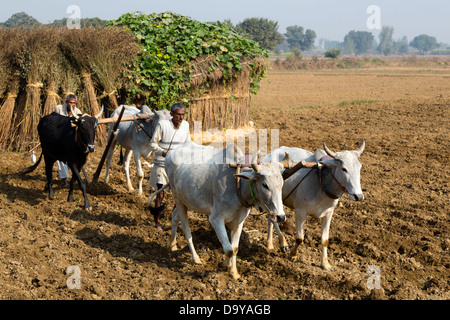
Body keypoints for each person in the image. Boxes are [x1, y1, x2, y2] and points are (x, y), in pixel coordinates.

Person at [149, 103, 190, 231]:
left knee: (180, 195)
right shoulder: (162, 125)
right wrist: (163, 152)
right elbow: (152, 144)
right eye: (178, 115)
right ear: (172, 114)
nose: (181, 117)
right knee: (160, 194)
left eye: (183, 115)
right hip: (162, 164)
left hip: (178, 166)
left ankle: (174, 214)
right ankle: (157, 222)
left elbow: (187, 144)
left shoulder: (186, 126)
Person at [53, 94, 82, 187]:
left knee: (72, 159)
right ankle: (65, 180)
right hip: (59, 138)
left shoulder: (78, 112)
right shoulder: (58, 108)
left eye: (74, 103)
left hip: (71, 139)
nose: (72, 105)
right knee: (61, 159)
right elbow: (53, 119)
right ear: (66, 102)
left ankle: (66, 175)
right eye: (70, 102)